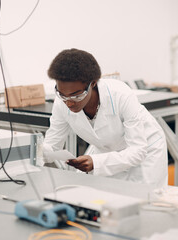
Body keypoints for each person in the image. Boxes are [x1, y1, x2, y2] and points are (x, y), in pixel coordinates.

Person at [43, 48, 168, 188]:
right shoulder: (61, 102)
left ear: (93, 83)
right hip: (109, 152)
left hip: (145, 152)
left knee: (144, 200)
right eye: (62, 94)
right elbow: (52, 145)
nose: (69, 102)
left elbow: (137, 151)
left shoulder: (121, 94)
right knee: (105, 199)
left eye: (77, 95)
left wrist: (96, 163)